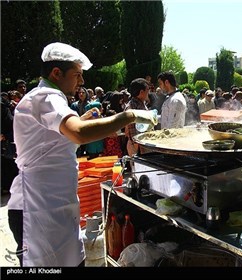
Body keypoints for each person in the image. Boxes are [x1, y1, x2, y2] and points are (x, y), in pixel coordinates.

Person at [7, 42, 157, 267]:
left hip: (54, 205)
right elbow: (77, 133)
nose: (82, 81)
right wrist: (128, 116)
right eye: (77, 74)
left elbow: (57, 140)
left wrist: (96, 122)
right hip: (38, 208)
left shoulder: (48, 98)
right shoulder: (46, 96)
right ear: (56, 73)